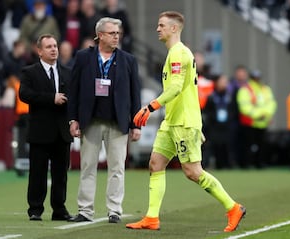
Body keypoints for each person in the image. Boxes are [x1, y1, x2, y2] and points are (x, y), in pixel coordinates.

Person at [125, 11, 246, 232]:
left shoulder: (179, 53)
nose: (157, 29)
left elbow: (176, 87)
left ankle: (233, 207)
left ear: (173, 28)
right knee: (155, 164)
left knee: (192, 172)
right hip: (171, 123)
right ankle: (152, 218)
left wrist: (151, 106)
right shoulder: (174, 53)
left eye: (161, 25)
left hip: (183, 124)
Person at [67, 17, 141, 223]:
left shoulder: (128, 60)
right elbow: (74, 91)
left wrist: (136, 124)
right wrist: (73, 119)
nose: (116, 37)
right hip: (90, 121)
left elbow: (135, 94)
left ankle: (114, 210)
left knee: (117, 168)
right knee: (87, 166)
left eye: (118, 33)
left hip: (118, 122)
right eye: (112, 33)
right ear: (100, 35)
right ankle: (85, 210)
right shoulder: (83, 57)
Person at [19, 34, 73, 221]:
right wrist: (52, 98)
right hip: (40, 131)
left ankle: (59, 209)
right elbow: (24, 95)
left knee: (61, 174)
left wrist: (75, 121)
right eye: (49, 46)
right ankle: (35, 209)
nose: (54, 49)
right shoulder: (29, 72)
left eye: (55, 46)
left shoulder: (67, 71)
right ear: (39, 51)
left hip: (62, 132)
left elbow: (73, 98)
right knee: (37, 173)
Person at [237, 70, 277, 168]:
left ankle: (260, 163)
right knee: (248, 145)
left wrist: (265, 114)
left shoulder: (265, 89)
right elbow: (244, 106)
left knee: (262, 145)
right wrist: (258, 115)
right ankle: (247, 163)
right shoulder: (245, 90)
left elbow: (271, 104)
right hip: (250, 123)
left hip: (263, 123)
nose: (257, 80)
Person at [202, 74, 233, 169]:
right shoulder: (211, 96)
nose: (224, 84)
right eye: (222, 81)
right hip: (214, 127)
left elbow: (234, 110)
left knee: (226, 147)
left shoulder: (229, 96)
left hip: (226, 126)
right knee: (212, 146)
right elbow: (207, 111)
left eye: (226, 82)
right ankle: (206, 165)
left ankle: (226, 165)